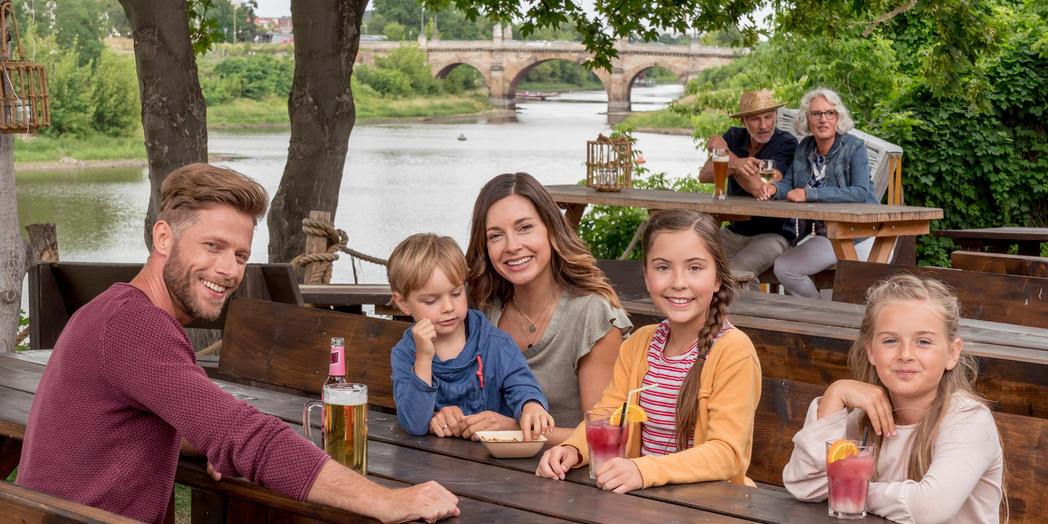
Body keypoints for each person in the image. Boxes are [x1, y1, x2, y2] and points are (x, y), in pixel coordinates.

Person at [16, 164, 459, 524]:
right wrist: (387, 501)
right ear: (163, 237)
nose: (229, 269)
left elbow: (159, 423)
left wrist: (204, 440)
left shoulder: (116, 312)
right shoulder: (134, 326)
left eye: (241, 255)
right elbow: (247, 436)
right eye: (213, 245)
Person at [536, 209, 762, 491]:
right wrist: (574, 450)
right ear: (646, 276)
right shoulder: (639, 345)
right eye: (663, 267)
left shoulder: (733, 351)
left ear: (717, 279)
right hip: (644, 502)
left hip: (713, 508)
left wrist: (644, 470)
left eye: (694, 267)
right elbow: (608, 415)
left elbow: (726, 454)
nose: (678, 282)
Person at [783, 274, 1004, 522]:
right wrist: (835, 395)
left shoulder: (969, 421)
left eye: (923, 341)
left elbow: (929, 507)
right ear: (871, 351)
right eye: (890, 340)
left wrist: (848, 488)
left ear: (952, 354)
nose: (905, 354)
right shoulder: (863, 420)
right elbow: (804, 484)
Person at [465, 172, 632, 444]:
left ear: (552, 230)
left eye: (524, 228)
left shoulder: (593, 315)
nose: (512, 246)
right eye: (496, 236)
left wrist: (517, 430)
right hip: (477, 470)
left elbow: (607, 436)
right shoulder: (481, 306)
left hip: (566, 477)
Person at [387, 233, 554, 440]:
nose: (448, 307)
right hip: (434, 464)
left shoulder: (496, 344)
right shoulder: (405, 354)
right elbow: (413, 423)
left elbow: (523, 387)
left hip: (497, 462)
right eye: (431, 301)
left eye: (456, 294)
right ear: (403, 303)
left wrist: (531, 406)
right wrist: (423, 359)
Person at [757, 88, 878, 298]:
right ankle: (819, 313)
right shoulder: (804, 147)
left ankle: (829, 317)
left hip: (863, 235)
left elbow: (859, 192)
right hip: (829, 236)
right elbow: (789, 184)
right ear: (807, 119)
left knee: (857, 297)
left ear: (837, 117)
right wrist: (775, 188)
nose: (823, 119)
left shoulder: (854, 147)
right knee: (785, 267)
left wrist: (809, 194)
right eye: (816, 114)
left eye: (829, 113)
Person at [698, 88, 798, 288]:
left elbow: (760, 188)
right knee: (692, 260)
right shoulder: (734, 136)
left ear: (776, 117)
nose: (763, 125)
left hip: (774, 235)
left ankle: (755, 318)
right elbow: (705, 175)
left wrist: (728, 155)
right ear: (743, 121)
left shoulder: (786, 143)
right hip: (734, 231)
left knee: (736, 272)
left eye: (768, 117)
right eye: (755, 119)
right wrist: (736, 165)